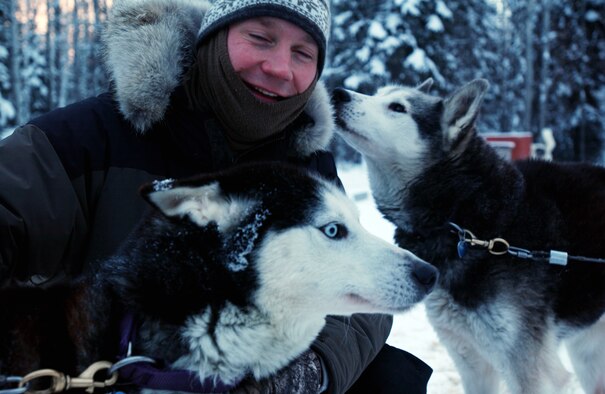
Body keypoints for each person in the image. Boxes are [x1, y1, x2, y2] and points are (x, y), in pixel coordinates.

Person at [0, 0, 432, 392]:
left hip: (250, 363)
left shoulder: (309, 161)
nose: (281, 67)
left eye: (303, 53)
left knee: (389, 379)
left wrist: (310, 371)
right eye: (260, 38)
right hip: (99, 364)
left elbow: (359, 286)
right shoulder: (90, 138)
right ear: (214, 37)